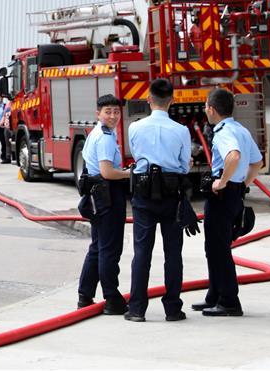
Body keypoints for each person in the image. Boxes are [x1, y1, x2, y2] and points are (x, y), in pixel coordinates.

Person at [125, 78, 191, 322]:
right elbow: (184, 166)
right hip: (172, 195)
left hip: (143, 196)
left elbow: (136, 156)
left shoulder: (135, 128)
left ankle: (137, 309)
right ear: (172, 101)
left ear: (149, 99)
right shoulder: (181, 131)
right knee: (173, 253)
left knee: (142, 252)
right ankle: (173, 309)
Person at [195, 88, 264, 317]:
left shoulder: (223, 132)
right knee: (214, 248)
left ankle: (228, 301)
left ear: (212, 110)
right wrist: (242, 184)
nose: (205, 110)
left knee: (219, 249)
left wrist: (222, 182)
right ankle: (214, 295)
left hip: (222, 197)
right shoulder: (240, 129)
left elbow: (233, 156)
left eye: (206, 106)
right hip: (234, 195)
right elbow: (258, 163)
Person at [77, 94, 130, 314]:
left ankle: (85, 295)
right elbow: (108, 172)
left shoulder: (96, 132)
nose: (113, 116)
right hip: (107, 195)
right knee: (109, 249)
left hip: (97, 196)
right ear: (98, 113)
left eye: (116, 111)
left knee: (98, 248)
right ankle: (111, 298)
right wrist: (129, 174)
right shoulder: (106, 137)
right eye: (108, 111)